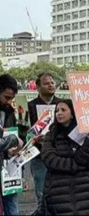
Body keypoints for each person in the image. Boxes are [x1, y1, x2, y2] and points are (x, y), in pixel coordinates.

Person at [41, 99, 89, 215]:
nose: (59, 113)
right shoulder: (50, 135)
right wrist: (74, 165)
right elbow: (49, 159)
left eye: (63, 110)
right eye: (57, 110)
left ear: (73, 113)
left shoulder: (84, 134)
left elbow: (85, 160)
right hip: (58, 191)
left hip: (83, 191)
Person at [28, 72, 61, 215]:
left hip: (59, 155)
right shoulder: (29, 107)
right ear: (38, 87)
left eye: (52, 83)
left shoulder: (63, 105)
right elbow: (24, 132)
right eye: (47, 83)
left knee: (59, 195)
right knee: (42, 195)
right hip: (38, 156)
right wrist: (34, 138)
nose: (51, 85)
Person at [0, 74, 24, 216]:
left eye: (11, 98)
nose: (9, 102)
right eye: (6, 97)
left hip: (9, 167)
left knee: (12, 206)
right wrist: (14, 140)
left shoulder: (9, 112)